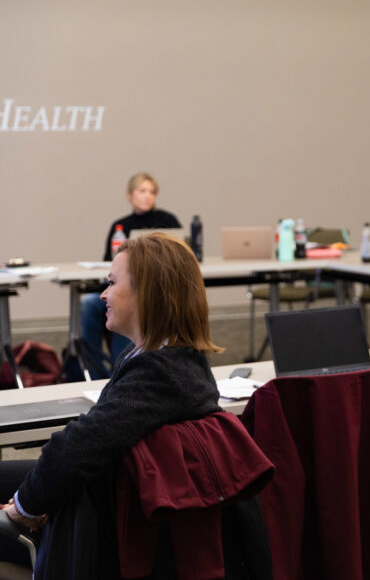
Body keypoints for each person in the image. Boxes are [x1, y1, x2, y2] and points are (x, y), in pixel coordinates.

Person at [0, 233, 224, 570]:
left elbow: (79, 446)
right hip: (118, 498)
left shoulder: (158, 372)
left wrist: (23, 508)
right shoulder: (180, 358)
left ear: (148, 294)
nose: (103, 294)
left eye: (112, 283)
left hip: (104, 522)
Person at [78, 172, 181, 378]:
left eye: (152, 192)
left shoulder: (167, 221)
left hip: (151, 290)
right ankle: (93, 372)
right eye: (142, 191)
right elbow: (110, 263)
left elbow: (177, 259)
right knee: (89, 303)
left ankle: (125, 369)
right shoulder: (120, 226)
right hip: (123, 286)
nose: (147, 196)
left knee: (131, 300)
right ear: (129, 194)